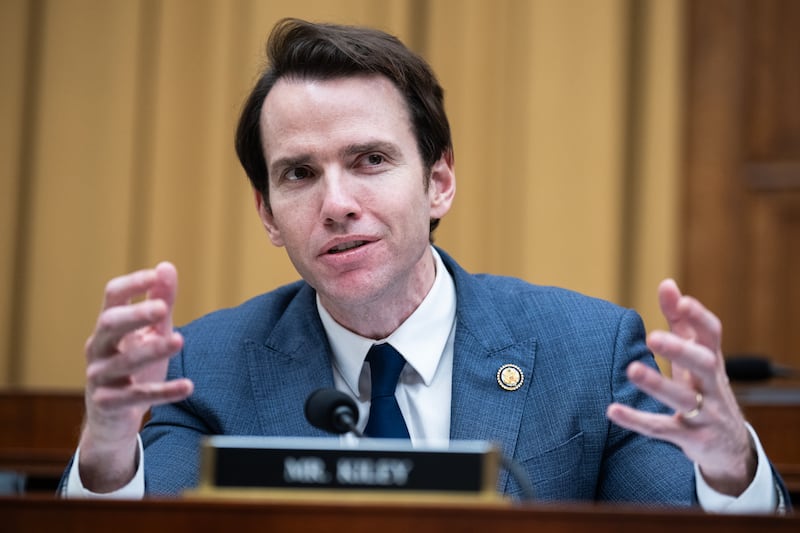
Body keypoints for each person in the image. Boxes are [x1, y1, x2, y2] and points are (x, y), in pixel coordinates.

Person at [61, 18, 787, 511]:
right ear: (266, 213)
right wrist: (105, 455)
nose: (337, 203)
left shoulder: (589, 353)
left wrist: (729, 466)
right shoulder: (203, 373)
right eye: (299, 174)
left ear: (438, 179)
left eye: (369, 160)